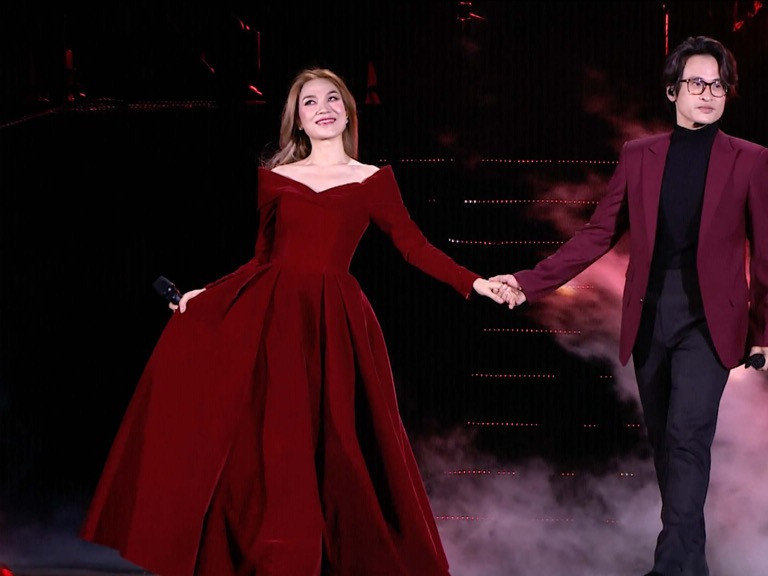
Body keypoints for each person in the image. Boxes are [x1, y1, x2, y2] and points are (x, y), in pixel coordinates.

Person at [80, 67, 508, 576]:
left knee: (341, 443)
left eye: (333, 98)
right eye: (309, 102)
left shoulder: (372, 180)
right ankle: (265, 555)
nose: (323, 107)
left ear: (348, 111)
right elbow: (261, 259)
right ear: (298, 120)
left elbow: (414, 247)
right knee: (270, 443)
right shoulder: (276, 178)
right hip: (273, 317)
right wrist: (209, 294)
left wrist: (474, 282)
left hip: (334, 320)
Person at [491, 36, 768, 576]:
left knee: (687, 438)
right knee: (667, 445)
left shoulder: (750, 160)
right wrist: (529, 282)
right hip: (650, 316)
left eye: (718, 85)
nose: (708, 93)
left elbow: (766, 252)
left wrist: (766, 333)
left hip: (711, 321)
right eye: (697, 83)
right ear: (673, 91)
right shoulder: (638, 155)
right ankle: (690, 565)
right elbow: (597, 234)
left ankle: (669, 567)